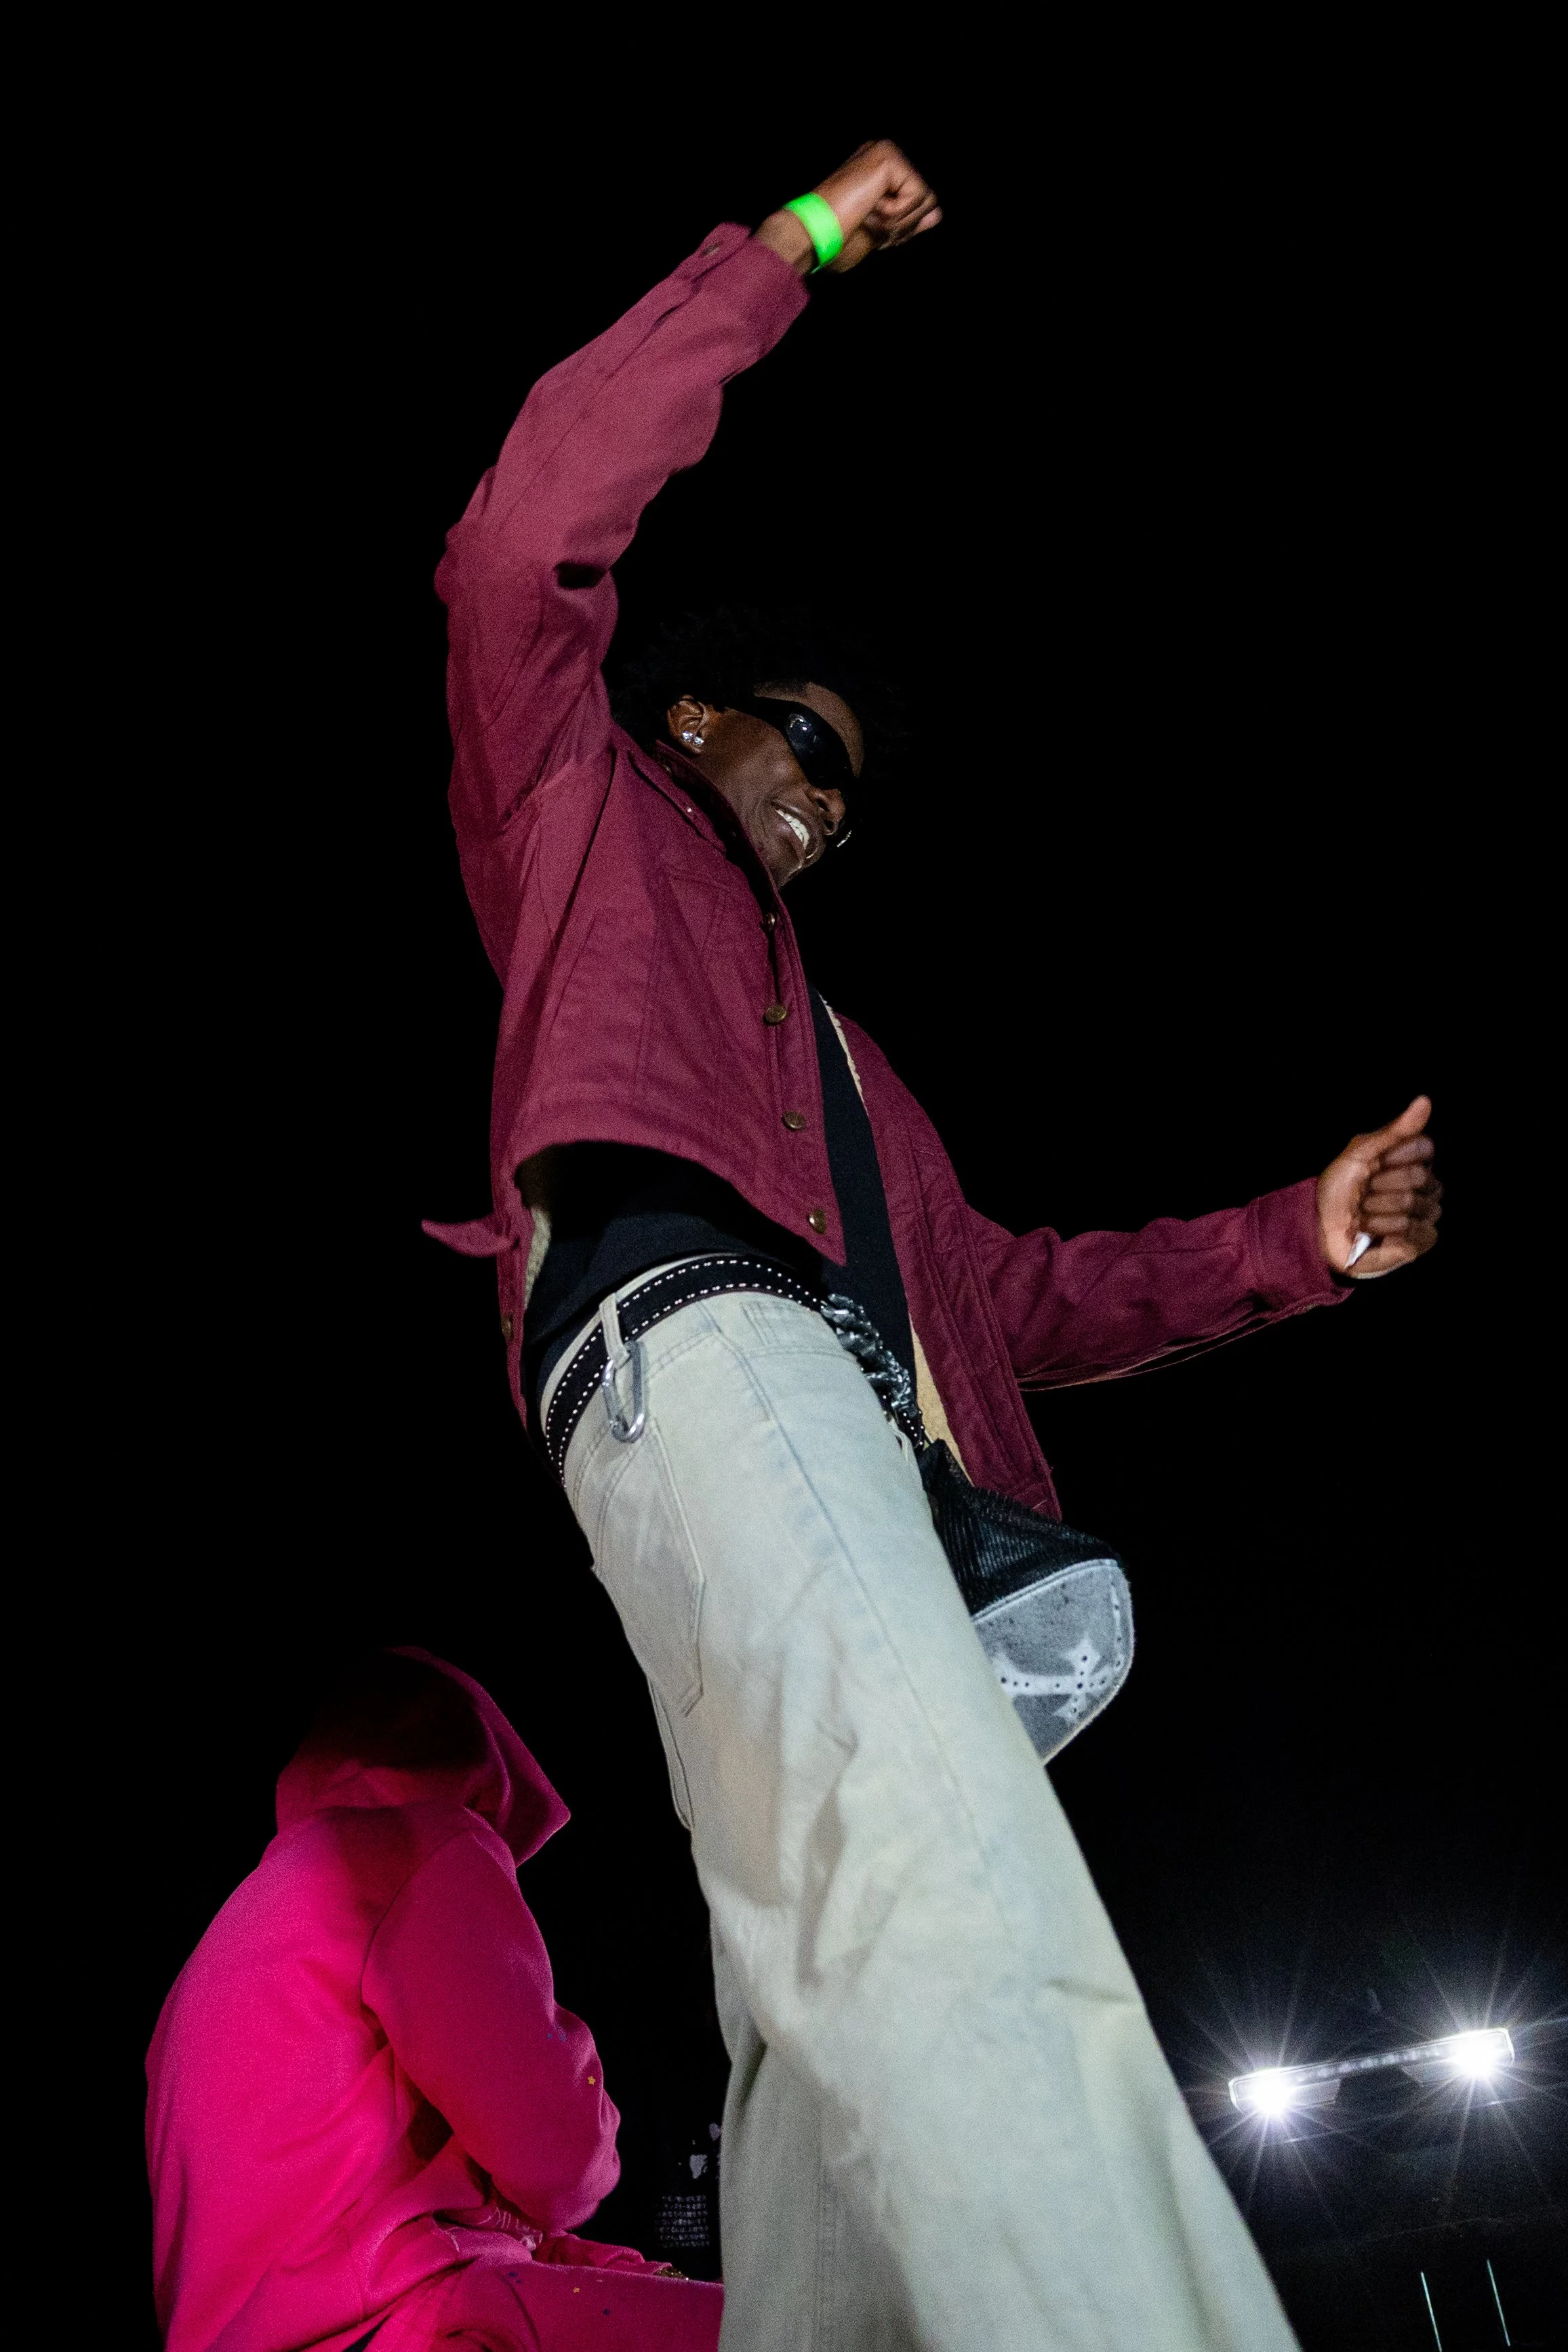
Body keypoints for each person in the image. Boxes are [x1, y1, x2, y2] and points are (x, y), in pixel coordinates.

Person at [426, 140, 1442, 2352]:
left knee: (821, 1992)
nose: (815, 802)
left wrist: (1302, 1237)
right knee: (955, 1891)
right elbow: (526, 526)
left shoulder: (854, 1078)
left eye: (847, 792)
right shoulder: (579, 808)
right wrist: (780, 255)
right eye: (794, 743)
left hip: (826, 1439)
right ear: (686, 716)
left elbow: (1030, 1299)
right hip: (696, 1333)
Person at [146, 1648, 724, 2352]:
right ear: (484, 1779)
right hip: (400, 2325)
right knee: (789, 2326)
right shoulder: (422, 1847)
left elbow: (425, 2214)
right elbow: (559, 2158)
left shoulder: (225, 1947)